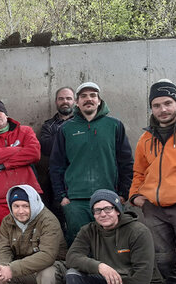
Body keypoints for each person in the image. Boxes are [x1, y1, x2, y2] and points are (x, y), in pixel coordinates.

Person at [66, 189, 163, 284]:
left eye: (108, 208)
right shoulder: (88, 230)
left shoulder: (138, 231)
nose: (103, 214)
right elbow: (72, 257)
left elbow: (143, 275)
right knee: (73, 274)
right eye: (97, 210)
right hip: (110, 282)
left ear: (117, 210)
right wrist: (99, 266)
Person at [50, 82, 133, 245]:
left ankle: (110, 271)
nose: (89, 99)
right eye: (83, 96)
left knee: (112, 242)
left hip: (108, 196)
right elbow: (56, 165)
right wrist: (62, 197)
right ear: (77, 102)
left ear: (99, 101)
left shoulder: (115, 125)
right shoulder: (66, 129)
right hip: (76, 200)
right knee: (80, 243)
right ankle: (81, 271)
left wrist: (123, 193)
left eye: (93, 95)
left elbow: (126, 163)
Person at [129, 79, 176, 284]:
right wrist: (136, 195)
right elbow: (138, 171)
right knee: (163, 262)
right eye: (157, 105)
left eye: (168, 103)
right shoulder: (145, 138)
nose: (163, 109)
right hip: (154, 210)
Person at [0, 185, 68, 284]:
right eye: (16, 206)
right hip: (25, 268)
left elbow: (47, 256)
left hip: (54, 266)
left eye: (25, 206)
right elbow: (4, 248)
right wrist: (2, 266)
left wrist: (12, 269)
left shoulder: (48, 220)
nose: (20, 211)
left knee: (47, 273)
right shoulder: (8, 221)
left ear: (33, 203)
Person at [0, 100, 42, 229]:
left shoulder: (26, 131)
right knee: (3, 238)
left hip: (28, 194)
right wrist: (18, 149)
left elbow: (34, 154)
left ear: (6, 115)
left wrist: (5, 165)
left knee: (33, 235)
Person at [37, 87, 74, 221]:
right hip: (56, 175)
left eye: (69, 98)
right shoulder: (49, 125)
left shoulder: (83, 123)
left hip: (78, 174)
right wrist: (69, 133)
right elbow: (46, 148)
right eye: (61, 99)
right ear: (56, 102)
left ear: (75, 101)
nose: (65, 101)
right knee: (56, 214)